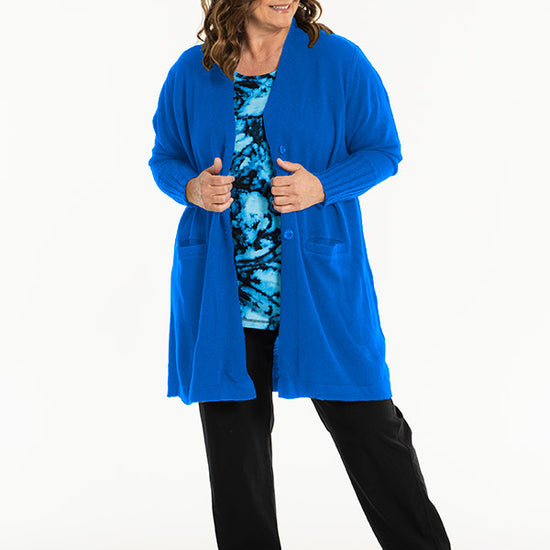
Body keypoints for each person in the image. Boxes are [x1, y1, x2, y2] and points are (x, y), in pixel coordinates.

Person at [148, 1, 452, 548]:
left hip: (319, 291)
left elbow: (383, 151)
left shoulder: (338, 60)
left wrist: (322, 187)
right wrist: (189, 187)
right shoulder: (194, 70)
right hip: (224, 298)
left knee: (373, 433)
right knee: (236, 465)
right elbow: (164, 157)